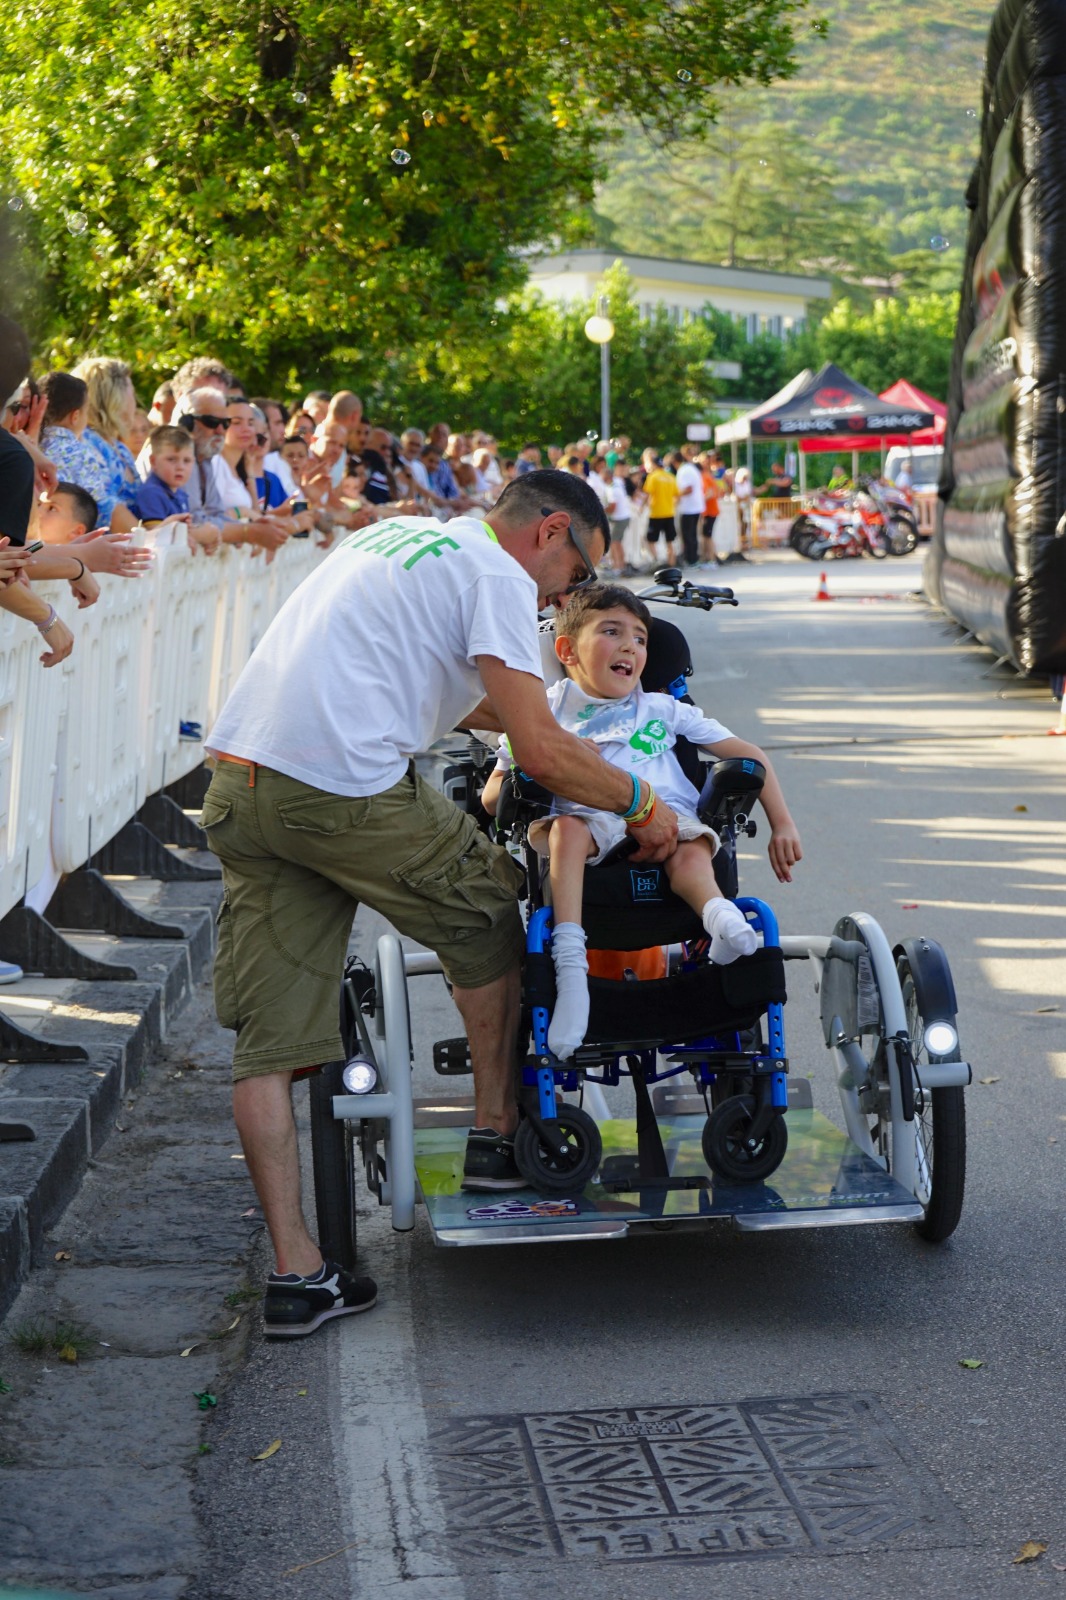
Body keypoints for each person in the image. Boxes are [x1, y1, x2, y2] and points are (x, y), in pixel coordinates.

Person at [201, 469, 678, 1337]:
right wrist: (640, 803)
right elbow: (535, 749)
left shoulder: (404, 535)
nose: (562, 599)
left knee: (265, 1046)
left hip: (242, 779)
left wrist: (562, 735)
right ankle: (496, 1146)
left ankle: (297, 1275)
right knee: (493, 915)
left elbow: (467, 699)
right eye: (573, 578)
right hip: (341, 789)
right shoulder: (498, 573)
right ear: (551, 532)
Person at [481, 584, 802, 1060]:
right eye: (612, 632)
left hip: (666, 820)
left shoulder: (662, 707)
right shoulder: (545, 711)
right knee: (567, 829)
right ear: (566, 650)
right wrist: (547, 759)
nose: (631, 646)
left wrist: (783, 824)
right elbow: (492, 797)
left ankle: (718, 918)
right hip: (586, 824)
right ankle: (571, 966)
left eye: (640, 638)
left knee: (691, 849)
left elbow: (749, 756)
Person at [72, 357, 143, 531]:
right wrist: (151, 540)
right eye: (132, 393)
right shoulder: (85, 444)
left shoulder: (118, 446)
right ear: (114, 398)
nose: (135, 402)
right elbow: (106, 508)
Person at [135, 425, 195, 524]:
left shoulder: (180, 494)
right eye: (171, 459)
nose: (180, 467)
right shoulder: (151, 494)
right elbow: (155, 535)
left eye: (187, 461)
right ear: (153, 461)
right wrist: (199, 535)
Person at [641, 449, 678, 566]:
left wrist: (642, 506)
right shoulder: (671, 477)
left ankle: (657, 561)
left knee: (651, 540)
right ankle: (671, 563)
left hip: (656, 513)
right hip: (669, 512)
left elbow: (647, 494)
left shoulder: (653, 477)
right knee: (670, 541)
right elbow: (677, 495)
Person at [675, 444, 705, 566]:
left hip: (688, 507)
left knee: (688, 535)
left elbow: (688, 489)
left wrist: (675, 496)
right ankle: (693, 558)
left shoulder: (686, 469)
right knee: (692, 534)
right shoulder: (692, 469)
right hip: (694, 506)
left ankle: (691, 559)